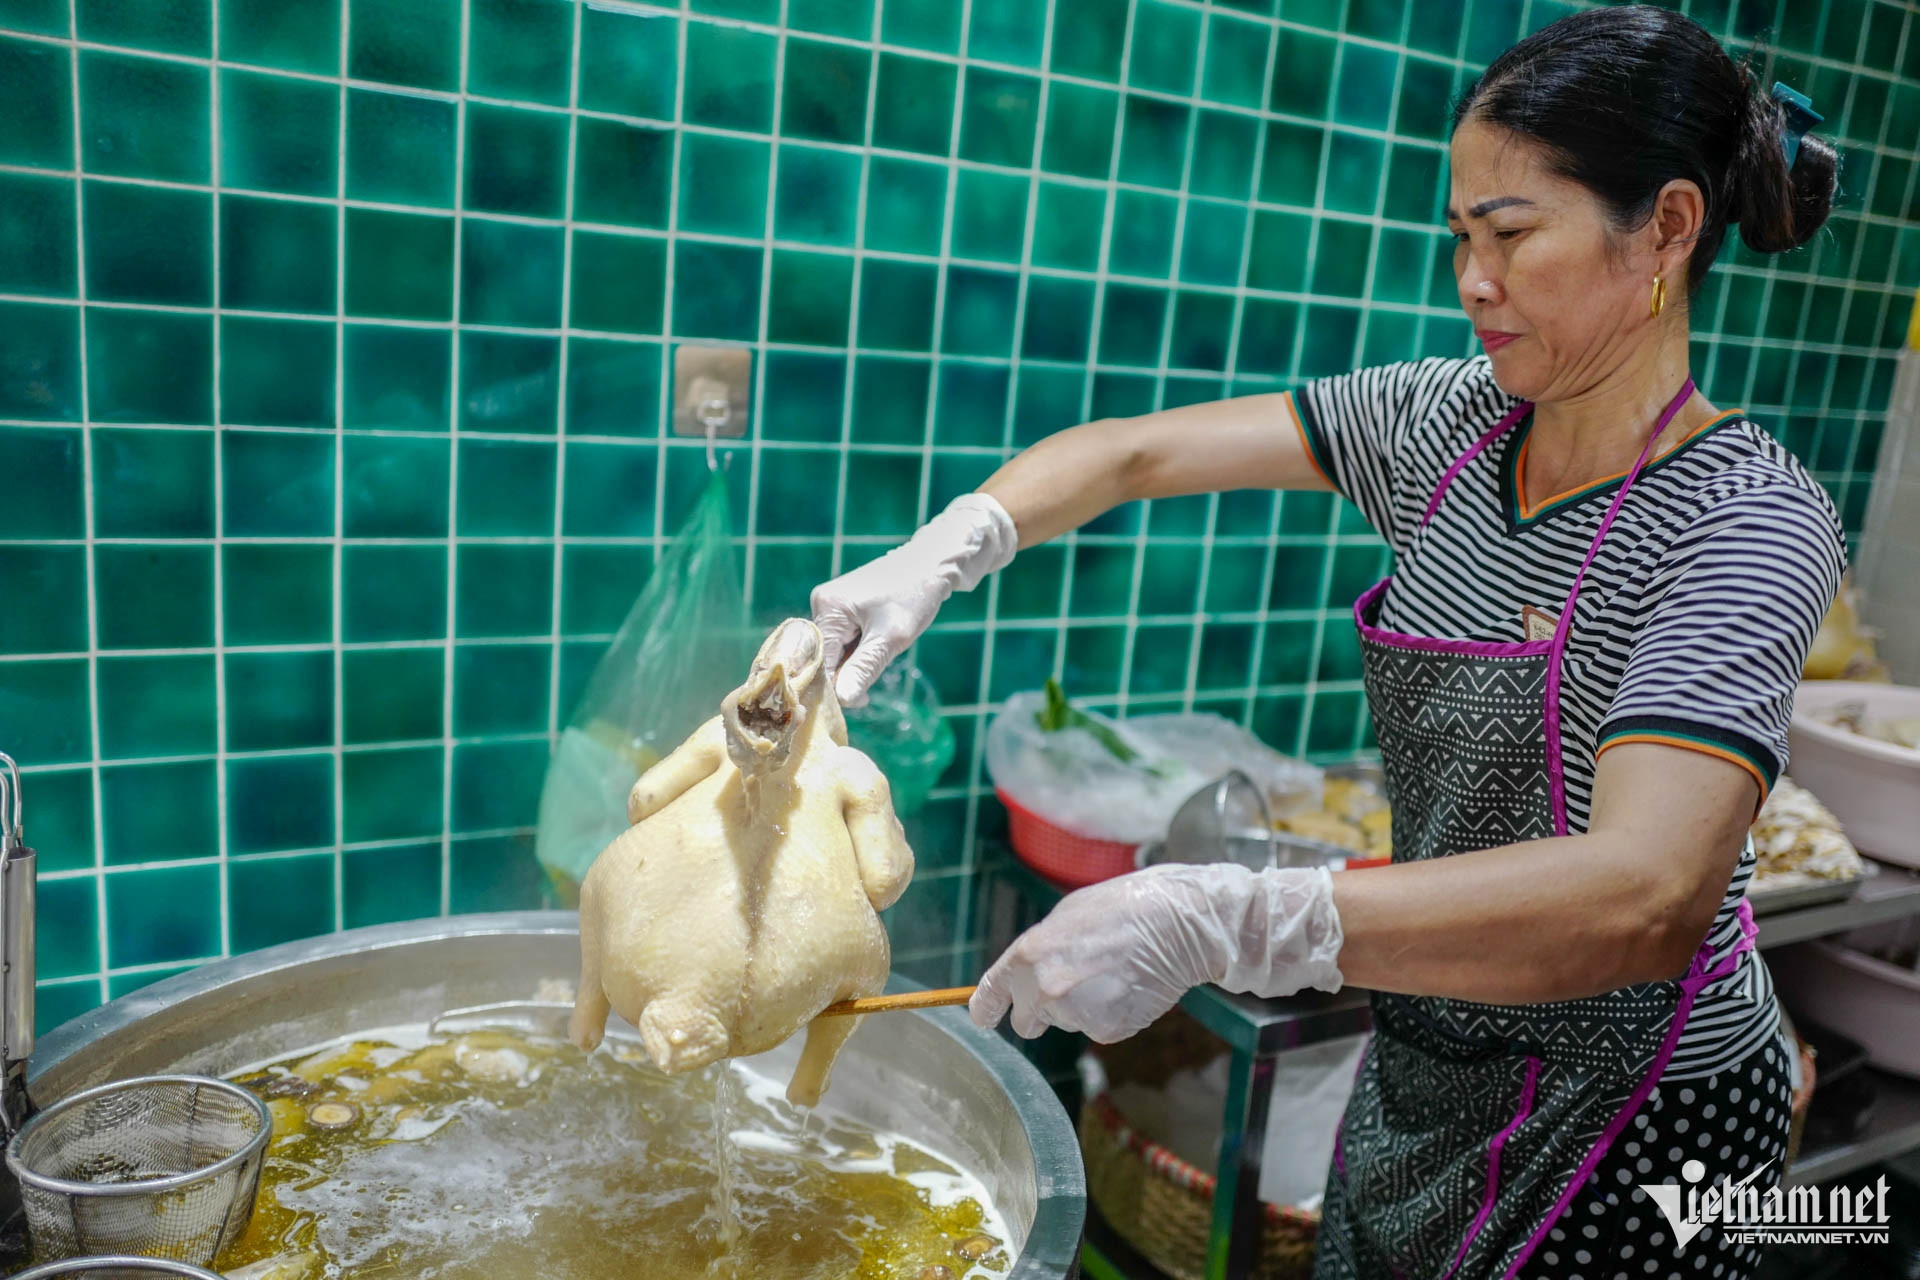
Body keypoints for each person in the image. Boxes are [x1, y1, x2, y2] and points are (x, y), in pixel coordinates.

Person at [809, 7, 1845, 1278]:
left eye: (1514, 235)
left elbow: (1645, 891)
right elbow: (1134, 453)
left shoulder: (1743, 518)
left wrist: (1236, 915)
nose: (1474, 279)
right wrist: (949, 547)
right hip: (1430, 1058)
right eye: (1464, 236)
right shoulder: (1446, 424)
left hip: (1638, 1120)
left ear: (1670, 229)